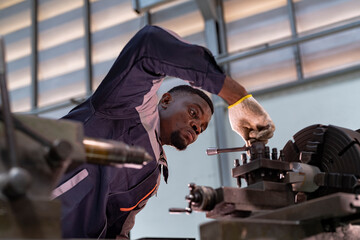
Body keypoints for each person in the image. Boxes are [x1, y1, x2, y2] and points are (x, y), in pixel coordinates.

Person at [51, 25, 275, 239]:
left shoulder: (152, 178)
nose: (197, 127)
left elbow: (118, 228)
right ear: (166, 100)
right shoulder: (128, 107)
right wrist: (237, 98)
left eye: (202, 128)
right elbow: (149, 43)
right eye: (193, 113)